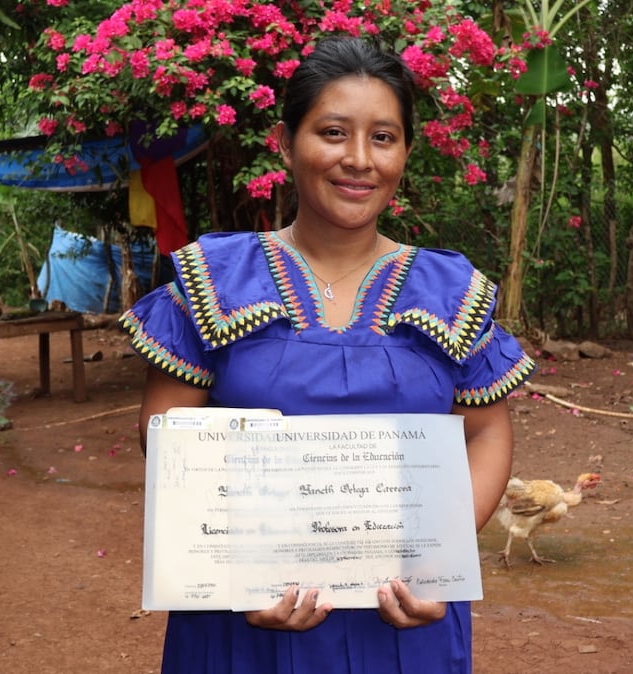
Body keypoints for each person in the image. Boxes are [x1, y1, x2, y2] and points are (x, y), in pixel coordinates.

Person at [120, 36, 535, 674]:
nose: (359, 160)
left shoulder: (454, 294)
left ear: (405, 152)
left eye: (384, 137)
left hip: (404, 622)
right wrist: (241, 570)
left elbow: (484, 432)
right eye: (334, 132)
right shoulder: (214, 282)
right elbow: (167, 438)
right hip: (243, 626)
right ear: (286, 143)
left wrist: (437, 556)